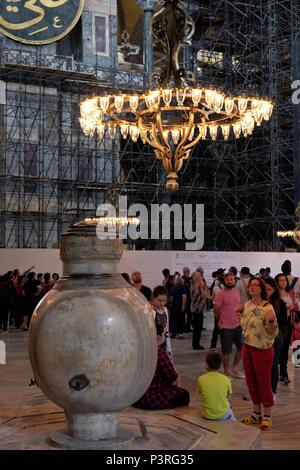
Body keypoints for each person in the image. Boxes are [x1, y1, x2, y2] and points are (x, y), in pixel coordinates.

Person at [236, 277, 278, 431]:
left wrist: (272, 322)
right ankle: (256, 414)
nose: (252, 287)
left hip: (263, 350)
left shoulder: (268, 308)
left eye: (255, 285)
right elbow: (244, 326)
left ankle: (267, 416)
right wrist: (237, 314)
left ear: (261, 288)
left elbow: (272, 333)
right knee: (251, 382)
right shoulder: (247, 305)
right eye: (250, 285)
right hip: (248, 347)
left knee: (263, 383)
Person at [133, 321, 190, 410]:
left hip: (135, 398)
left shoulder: (138, 349)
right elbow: (173, 380)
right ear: (159, 337)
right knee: (184, 395)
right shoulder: (159, 353)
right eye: (164, 334)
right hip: (152, 398)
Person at [213, 273, 244, 377]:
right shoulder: (220, 294)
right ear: (224, 281)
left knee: (241, 348)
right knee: (226, 351)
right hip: (225, 326)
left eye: (231, 279)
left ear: (234, 280)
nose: (229, 281)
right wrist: (219, 320)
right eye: (227, 279)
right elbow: (216, 310)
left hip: (238, 325)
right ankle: (226, 372)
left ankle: (234, 367)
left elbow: (239, 306)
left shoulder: (237, 292)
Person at [264, 277, 288, 398]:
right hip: (261, 337)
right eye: (264, 289)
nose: (266, 291)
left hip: (275, 337)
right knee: (262, 364)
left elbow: (284, 323)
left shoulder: (280, 303)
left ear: (274, 289)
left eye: (269, 289)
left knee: (273, 363)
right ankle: (263, 389)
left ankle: (272, 390)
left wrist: (280, 336)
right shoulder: (258, 303)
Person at [197, 351, 235, 421]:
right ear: (220, 365)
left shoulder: (201, 379)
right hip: (223, 415)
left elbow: (201, 393)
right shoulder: (226, 379)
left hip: (207, 415)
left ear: (206, 365)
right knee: (232, 417)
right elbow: (230, 398)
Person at [151, 286, 172, 358]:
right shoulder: (150, 311)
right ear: (154, 298)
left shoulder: (165, 310)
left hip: (164, 345)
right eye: (159, 300)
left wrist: (169, 349)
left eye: (164, 301)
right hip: (154, 345)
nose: (162, 303)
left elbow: (167, 331)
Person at [190, 272, 207, 350]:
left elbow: (205, 295)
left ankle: (196, 344)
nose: (202, 277)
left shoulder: (200, 286)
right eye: (200, 276)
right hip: (196, 310)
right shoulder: (194, 286)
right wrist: (200, 289)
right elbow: (194, 298)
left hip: (200, 310)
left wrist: (202, 288)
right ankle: (195, 345)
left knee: (198, 329)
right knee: (197, 329)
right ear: (196, 278)